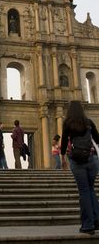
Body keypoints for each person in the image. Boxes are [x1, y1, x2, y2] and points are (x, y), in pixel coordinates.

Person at [61, 100, 99, 235]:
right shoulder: (89, 122)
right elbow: (98, 140)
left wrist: (63, 158)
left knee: (83, 191)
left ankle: (88, 225)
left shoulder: (68, 123)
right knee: (90, 189)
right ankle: (96, 219)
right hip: (92, 160)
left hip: (77, 161)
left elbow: (64, 142)